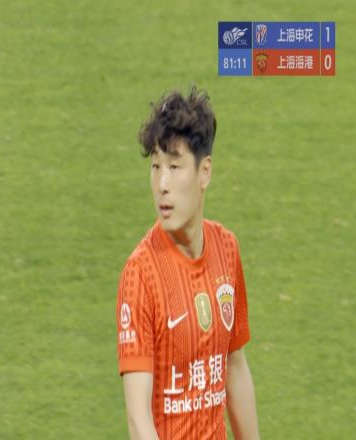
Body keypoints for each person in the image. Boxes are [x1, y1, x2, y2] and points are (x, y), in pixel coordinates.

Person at [116, 85, 259, 440]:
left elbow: (234, 368)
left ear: (204, 172)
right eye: (155, 166)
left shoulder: (227, 249)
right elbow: (138, 417)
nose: (162, 184)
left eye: (175, 166)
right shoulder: (141, 275)